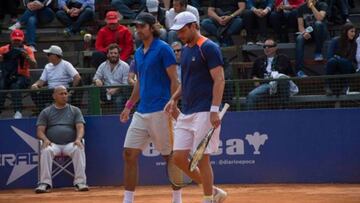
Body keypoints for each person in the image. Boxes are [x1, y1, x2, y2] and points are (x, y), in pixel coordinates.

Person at [118, 12, 181, 203]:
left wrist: (173, 102)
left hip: (162, 110)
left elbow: (174, 80)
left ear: (152, 27)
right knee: (129, 153)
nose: (138, 30)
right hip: (142, 112)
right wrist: (129, 105)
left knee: (168, 156)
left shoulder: (164, 49)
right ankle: (128, 200)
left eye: (142, 26)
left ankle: (177, 198)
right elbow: (139, 84)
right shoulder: (138, 52)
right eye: (136, 26)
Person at [165, 11, 227, 203]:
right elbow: (186, 82)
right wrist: (173, 99)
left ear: (194, 26)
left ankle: (208, 198)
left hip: (205, 110)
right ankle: (215, 191)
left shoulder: (208, 47)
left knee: (202, 159)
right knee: (178, 158)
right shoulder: (184, 50)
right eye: (177, 31)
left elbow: (219, 79)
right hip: (187, 111)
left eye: (182, 30)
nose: (179, 35)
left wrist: (214, 110)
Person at [35, 85, 88, 193]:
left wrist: (78, 139)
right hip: (53, 144)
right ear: (54, 96)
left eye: (65, 93)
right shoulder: (46, 112)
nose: (64, 96)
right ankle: (45, 183)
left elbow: (80, 127)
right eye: (61, 94)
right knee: (45, 150)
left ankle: (80, 182)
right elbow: (40, 131)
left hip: (70, 144)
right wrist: (45, 139)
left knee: (79, 148)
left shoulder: (75, 110)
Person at [245, 38, 296, 110]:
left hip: (280, 85)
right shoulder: (258, 60)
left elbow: (291, 74)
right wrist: (255, 79)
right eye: (264, 47)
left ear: (275, 48)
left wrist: (282, 78)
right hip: (266, 84)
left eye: (269, 46)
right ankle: (250, 118)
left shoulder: (284, 58)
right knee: (251, 95)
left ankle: (284, 111)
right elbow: (253, 75)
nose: (266, 48)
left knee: (283, 79)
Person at [31, 45, 82, 114]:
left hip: (63, 90)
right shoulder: (47, 66)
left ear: (55, 55)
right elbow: (41, 81)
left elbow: (77, 77)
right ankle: (43, 112)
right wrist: (35, 85)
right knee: (33, 91)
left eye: (49, 54)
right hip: (51, 91)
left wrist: (71, 91)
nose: (47, 56)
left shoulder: (66, 64)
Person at [0, 29, 37, 119]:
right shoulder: (3, 49)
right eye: (14, 39)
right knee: (1, 85)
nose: (16, 42)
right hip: (6, 76)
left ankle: (18, 112)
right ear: (11, 39)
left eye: (18, 40)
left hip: (22, 77)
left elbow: (34, 65)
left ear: (22, 39)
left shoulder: (27, 50)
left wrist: (27, 57)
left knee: (15, 86)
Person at [93, 43, 130, 112]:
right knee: (94, 96)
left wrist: (116, 89)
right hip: (105, 91)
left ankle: (118, 121)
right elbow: (95, 77)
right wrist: (97, 80)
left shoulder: (125, 66)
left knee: (119, 101)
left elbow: (126, 83)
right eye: (111, 53)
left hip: (120, 92)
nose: (113, 55)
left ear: (119, 54)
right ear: (107, 54)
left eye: (115, 53)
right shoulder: (102, 65)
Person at [295, 0, 328, 77]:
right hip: (309, 33)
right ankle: (299, 70)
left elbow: (320, 18)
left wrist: (312, 6)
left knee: (318, 23)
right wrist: (304, 33)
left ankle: (318, 53)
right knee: (299, 38)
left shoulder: (322, 4)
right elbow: (300, 26)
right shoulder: (301, 8)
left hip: (321, 33)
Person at [325, 23, 357, 96]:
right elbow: (329, 56)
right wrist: (338, 59)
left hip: (348, 66)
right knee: (331, 61)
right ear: (345, 31)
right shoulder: (335, 40)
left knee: (344, 62)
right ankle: (328, 87)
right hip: (334, 64)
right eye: (351, 31)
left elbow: (350, 59)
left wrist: (338, 58)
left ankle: (346, 87)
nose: (354, 34)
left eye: (354, 32)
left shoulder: (354, 44)